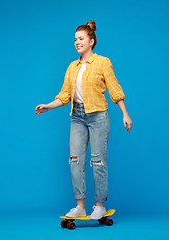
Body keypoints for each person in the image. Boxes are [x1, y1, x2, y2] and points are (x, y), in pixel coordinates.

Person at [35, 20, 133, 220]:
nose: (77, 42)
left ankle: (99, 205)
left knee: (97, 161)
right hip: (77, 117)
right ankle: (80, 206)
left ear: (91, 41)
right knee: (75, 160)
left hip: (98, 116)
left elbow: (114, 89)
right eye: (75, 39)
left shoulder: (103, 62)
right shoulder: (72, 67)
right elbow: (64, 96)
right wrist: (48, 106)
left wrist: (125, 113)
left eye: (81, 39)